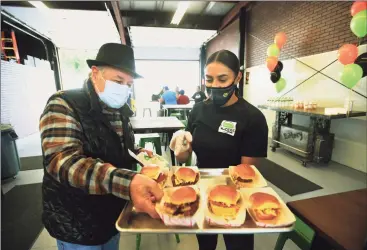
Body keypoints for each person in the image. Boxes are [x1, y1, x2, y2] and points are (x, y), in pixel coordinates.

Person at [39, 43, 163, 250]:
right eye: (118, 80)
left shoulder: (119, 111)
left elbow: (119, 148)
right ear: (95, 73)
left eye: (128, 83)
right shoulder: (64, 104)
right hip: (77, 222)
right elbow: (62, 162)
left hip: (111, 216)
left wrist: (140, 155)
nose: (124, 88)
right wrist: (128, 182)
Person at [170, 50, 269, 250]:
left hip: (235, 196)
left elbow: (246, 173)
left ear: (238, 77)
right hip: (202, 189)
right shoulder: (198, 109)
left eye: (222, 79)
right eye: (209, 79)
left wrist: (225, 199)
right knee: (206, 245)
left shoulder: (252, 118)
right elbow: (184, 156)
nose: (215, 86)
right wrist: (180, 149)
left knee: (237, 245)